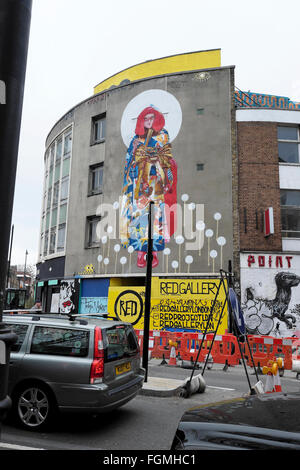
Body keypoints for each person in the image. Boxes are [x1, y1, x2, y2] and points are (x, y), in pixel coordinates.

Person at [120, 105, 177, 268]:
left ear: (157, 118)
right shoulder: (135, 138)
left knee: (156, 216)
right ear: (141, 121)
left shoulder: (163, 135)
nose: (149, 121)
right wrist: (136, 150)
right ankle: (140, 252)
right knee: (140, 216)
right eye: (146, 118)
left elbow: (167, 157)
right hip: (140, 183)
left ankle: (154, 252)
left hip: (156, 182)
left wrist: (155, 157)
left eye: (152, 118)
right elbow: (129, 161)